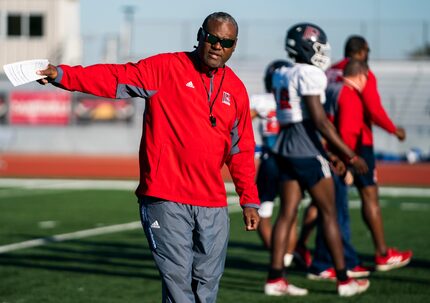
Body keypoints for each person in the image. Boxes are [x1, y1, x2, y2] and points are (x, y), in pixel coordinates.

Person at [37, 12, 260, 303]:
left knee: (206, 288)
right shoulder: (165, 68)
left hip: (213, 204)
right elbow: (114, 77)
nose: (218, 46)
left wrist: (249, 199)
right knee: (179, 285)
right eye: (213, 38)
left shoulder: (237, 89)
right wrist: (62, 75)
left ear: (234, 46)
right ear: (200, 35)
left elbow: (241, 149)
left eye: (226, 42)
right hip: (165, 198)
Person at [264, 23, 370, 297]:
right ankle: (344, 280)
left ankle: (275, 278)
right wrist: (349, 154)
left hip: (285, 146)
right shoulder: (310, 73)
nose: (322, 52)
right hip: (306, 148)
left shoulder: (282, 72)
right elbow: (320, 122)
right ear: (307, 47)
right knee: (329, 213)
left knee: (287, 213)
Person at [326, 35, 413, 271]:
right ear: (362, 52)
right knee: (368, 196)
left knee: (325, 201)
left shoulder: (331, 71)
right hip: (357, 143)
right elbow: (373, 109)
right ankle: (382, 252)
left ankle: (304, 249)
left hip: (331, 141)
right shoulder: (362, 72)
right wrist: (395, 130)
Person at [307, 59, 372, 280]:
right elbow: (345, 133)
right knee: (338, 216)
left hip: (327, 156)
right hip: (337, 161)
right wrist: (348, 164)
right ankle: (343, 262)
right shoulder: (349, 95)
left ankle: (322, 262)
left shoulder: (333, 89)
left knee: (329, 214)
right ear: (362, 76)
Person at [250, 59, 298, 267]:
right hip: (292, 160)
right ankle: (286, 257)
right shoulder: (296, 100)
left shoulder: (260, 100)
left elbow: (240, 123)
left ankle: (276, 256)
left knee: (262, 214)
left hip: (270, 161)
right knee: (291, 212)